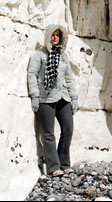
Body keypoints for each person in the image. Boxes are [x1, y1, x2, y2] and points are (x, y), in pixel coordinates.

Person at [28, 23, 78, 177]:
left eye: (58, 35)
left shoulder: (63, 55)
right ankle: (53, 167)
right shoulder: (39, 55)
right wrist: (35, 95)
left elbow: (69, 77)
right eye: (53, 35)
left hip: (63, 97)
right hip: (45, 98)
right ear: (48, 36)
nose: (55, 38)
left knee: (68, 129)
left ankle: (64, 163)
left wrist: (74, 96)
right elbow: (32, 75)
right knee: (49, 133)